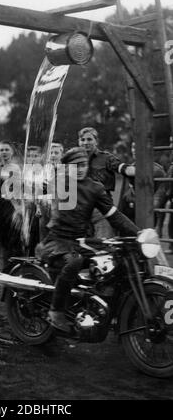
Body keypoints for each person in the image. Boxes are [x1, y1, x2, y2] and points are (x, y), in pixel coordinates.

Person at [36, 147, 139, 333]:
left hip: (81, 240)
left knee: (113, 258)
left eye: (83, 165)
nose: (80, 169)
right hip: (56, 240)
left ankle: (105, 306)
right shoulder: (56, 184)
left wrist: (139, 233)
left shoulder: (95, 188)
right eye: (75, 166)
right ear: (66, 168)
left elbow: (114, 216)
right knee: (74, 261)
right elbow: (40, 209)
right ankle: (56, 311)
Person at [78, 127, 133, 238]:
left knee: (104, 243)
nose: (85, 143)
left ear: (96, 141)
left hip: (101, 206)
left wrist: (135, 171)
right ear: (78, 142)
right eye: (82, 140)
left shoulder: (106, 158)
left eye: (89, 139)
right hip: (79, 206)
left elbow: (122, 168)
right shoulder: (73, 160)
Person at [0, 140, 23, 268]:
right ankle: (4, 265)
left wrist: (19, 208)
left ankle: (15, 266)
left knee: (14, 237)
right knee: (1, 238)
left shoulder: (16, 168)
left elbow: (19, 190)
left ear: (12, 152)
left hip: (12, 207)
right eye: (1, 150)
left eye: (7, 149)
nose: (4, 152)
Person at [119, 141, 166, 226]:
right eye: (133, 147)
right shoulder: (128, 170)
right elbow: (122, 199)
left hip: (148, 220)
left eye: (138, 147)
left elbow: (160, 201)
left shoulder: (157, 171)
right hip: (128, 219)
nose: (134, 150)